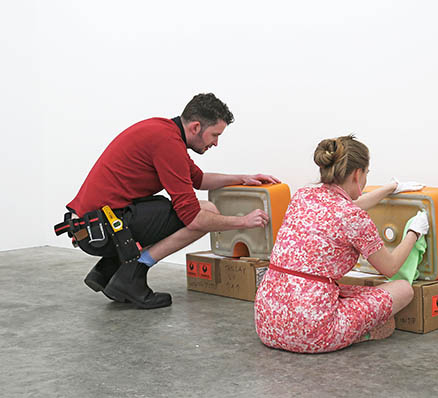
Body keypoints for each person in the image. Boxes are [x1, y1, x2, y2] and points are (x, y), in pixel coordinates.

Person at [59, 93, 279, 309]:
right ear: (195, 127)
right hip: (100, 230)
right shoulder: (167, 143)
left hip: (93, 226)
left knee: (187, 209)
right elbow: (193, 219)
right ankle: (132, 274)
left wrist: (242, 178)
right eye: (214, 135)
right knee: (205, 212)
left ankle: (109, 269)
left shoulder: (164, 132)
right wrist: (243, 222)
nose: (216, 143)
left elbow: (198, 179)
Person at [254, 135, 429, 353]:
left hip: (268, 323)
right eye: (367, 174)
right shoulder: (353, 217)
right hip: (311, 332)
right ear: (358, 174)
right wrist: (414, 232)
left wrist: (389, 188)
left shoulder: (302, 196)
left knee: (345, 290)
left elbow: (345, 207)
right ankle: (360, 333)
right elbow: (391, 267)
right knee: (403, 289)